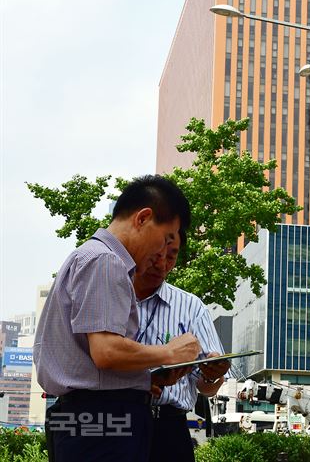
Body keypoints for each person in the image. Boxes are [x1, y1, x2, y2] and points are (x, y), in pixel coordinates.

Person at [34, 175, 201, 462]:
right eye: (165, 239)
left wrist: (142, 378)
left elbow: (94, 359)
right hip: (102, 421)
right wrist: (169, 352)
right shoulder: (105, 261)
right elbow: (107, 351)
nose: (162, 254)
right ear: (143, 218)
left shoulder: (92, 256)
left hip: (85, 419)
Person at [133, 231, 230, 462]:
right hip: (122, 419)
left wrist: (212, 375)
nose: (162, 264)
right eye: (156, 255)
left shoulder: (191, 306)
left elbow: (207, 388)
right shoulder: (114, 297)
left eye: (172, 256)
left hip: (171, 427)